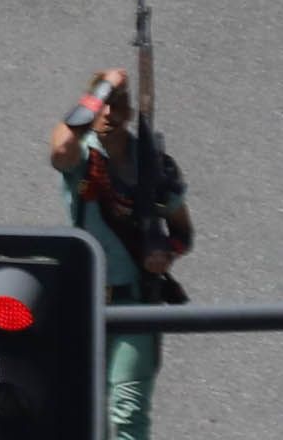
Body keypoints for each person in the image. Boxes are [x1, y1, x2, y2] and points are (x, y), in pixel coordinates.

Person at [49, 67, 193, 440]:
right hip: (83, 301)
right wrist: (107, 84)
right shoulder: (83, 159)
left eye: (119, 106)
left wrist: (165, 252)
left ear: (130, 113)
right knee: (83, 414)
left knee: (128, 413)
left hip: (134, 301)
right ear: (92, 107)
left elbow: (183, 233)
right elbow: (60, 147)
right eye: (103, 105)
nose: (110, 114)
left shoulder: (154, 165)